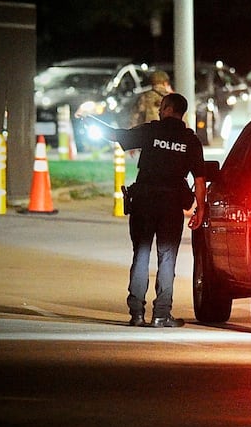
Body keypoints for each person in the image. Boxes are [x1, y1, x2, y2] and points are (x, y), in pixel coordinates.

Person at [99, 93, 206, 327]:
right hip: (171, 206)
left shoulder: (151, 131)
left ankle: (136, 314)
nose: (159, 111)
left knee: (141, 254)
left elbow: (118, 136)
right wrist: (200, 209)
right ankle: (161, 315)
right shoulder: (190, 140)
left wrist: (93, 123)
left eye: (161, 107)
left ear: (167, 108)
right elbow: (199, 179)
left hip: (144, 201)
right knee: (167, 258)